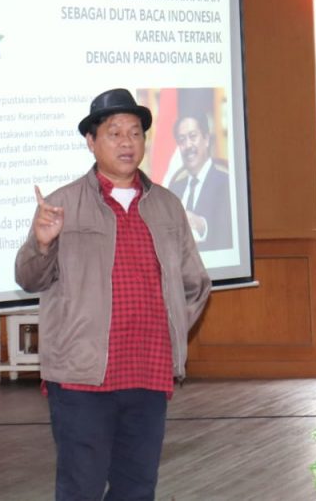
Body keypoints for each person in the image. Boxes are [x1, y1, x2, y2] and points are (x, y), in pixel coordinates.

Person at [15, 88, 211, 501]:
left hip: (149, 370)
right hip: (82, 374)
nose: (127, 142)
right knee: (81, 488)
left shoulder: (167, 205)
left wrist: (170, 329)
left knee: (136, 488)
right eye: (115, 132)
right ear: (91, 141)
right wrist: (42, 244)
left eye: (135, 133)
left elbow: (196, 284)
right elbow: (29, 278)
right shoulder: (61, 205)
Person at [168, 113, 233, 251]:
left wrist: (202, 226)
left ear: (206, 139)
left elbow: (229, 234)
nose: (188, 145)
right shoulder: (174, 189)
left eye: (193, 136)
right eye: (182, 140)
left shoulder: (226, 184)